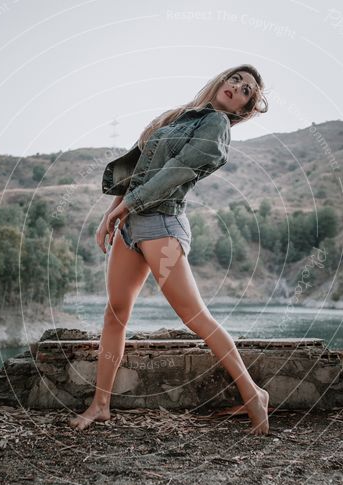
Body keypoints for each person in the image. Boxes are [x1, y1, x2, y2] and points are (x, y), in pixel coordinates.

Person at [69, 65, 271, 435]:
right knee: (115, 313)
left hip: (161, 225)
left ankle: (254, 393)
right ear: (222, 80)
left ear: (243, 109)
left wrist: (127, 207)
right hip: (131, 225)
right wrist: (109, 215)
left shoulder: (216, 127)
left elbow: (177, 170)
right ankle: (100, 404)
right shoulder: (178, 117)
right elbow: (133, 167)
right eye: (236, 80)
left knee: (195, 317)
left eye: (247, 91)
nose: (238, 88)